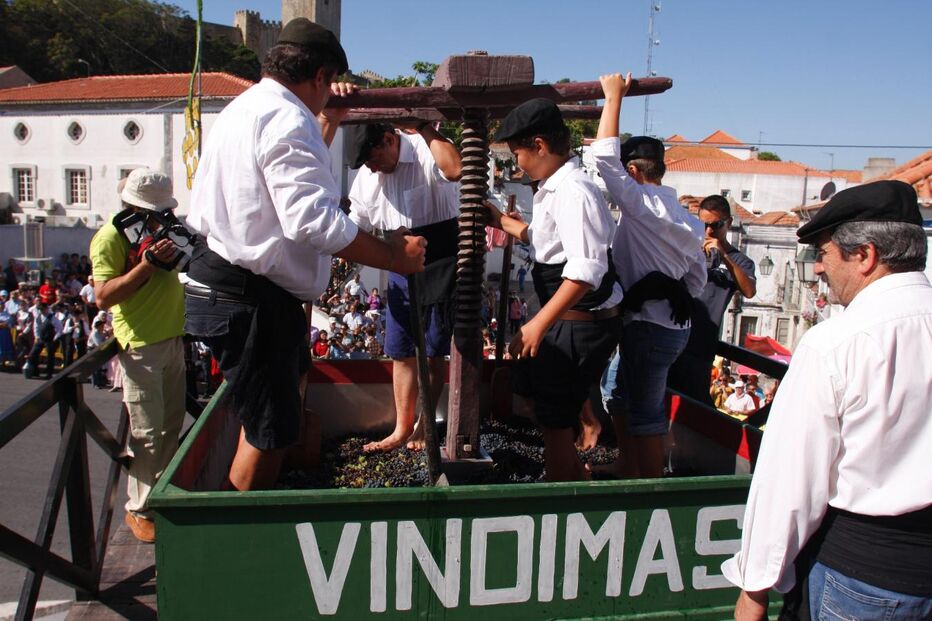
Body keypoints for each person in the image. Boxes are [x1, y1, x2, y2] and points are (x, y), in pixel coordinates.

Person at [184, 19, 426, 491]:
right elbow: (310, 218)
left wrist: (329, 120)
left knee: (269, 417)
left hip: (236, 290)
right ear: (319, 77)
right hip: (250, 299)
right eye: (326, 89)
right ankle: (245, 545)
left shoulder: (246, 108)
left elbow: (293, 183)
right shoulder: (287, 116)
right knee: (269, 433)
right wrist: (392, 255)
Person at [723, 180, 932, 620]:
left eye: (824, 253)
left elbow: (791, 479)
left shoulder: (834, 343)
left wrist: (754, 589)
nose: (818, 269)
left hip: (866, 580)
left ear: (865, 256)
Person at [486, 98, 623, 481]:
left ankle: (566, 486)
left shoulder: (574, 192)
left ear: (540, 146)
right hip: (562, 317)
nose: (517, 165)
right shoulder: (552, 188)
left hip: (578, 320)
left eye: (518, 154)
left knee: (554, 414)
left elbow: (586, 269)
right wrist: (498, 219)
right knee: (547, 404)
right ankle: (566, 472)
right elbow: (542, 238)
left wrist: (538, 324)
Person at [593, 73, 706, 479]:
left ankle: (646, 487)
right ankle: (630, 468)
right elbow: (696, 279)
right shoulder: (689, 221)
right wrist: (667, 287)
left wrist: (613, 97)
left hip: (647, 326)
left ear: (636, 171)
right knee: (620, 395)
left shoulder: (642, 205)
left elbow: (602, 159)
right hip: (669, 326)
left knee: (645, 411)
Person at [345, 119, 462, 452]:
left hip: (440, 255)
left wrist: (425, 126)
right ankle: (402, 427)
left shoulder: (427, 149)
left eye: (373, 158)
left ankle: (425, 424)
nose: (372, 167)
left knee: (433, 350)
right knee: (401, 351)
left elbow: (455, 170)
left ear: (388, 140)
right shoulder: (369, 175)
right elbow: (357, 223)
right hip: (397, 260)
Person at [90, 168, 187, 543]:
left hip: (171, 337)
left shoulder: (158, 231)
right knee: (147, 433)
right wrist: (147, 266)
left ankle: (160, 497)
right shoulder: (110, 238)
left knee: (170, 425)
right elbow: (103, 296)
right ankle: (140, 508)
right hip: (141, 343)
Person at [667, 195, 756, 402]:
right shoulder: (686, 248)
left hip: (700, 347)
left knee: (691, 410)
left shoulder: (740, 260)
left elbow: (749, 291)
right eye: (704, 224)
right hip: (670, 337)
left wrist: (724, 254)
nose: (708, 231)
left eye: (715, 225)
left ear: (729, 223)